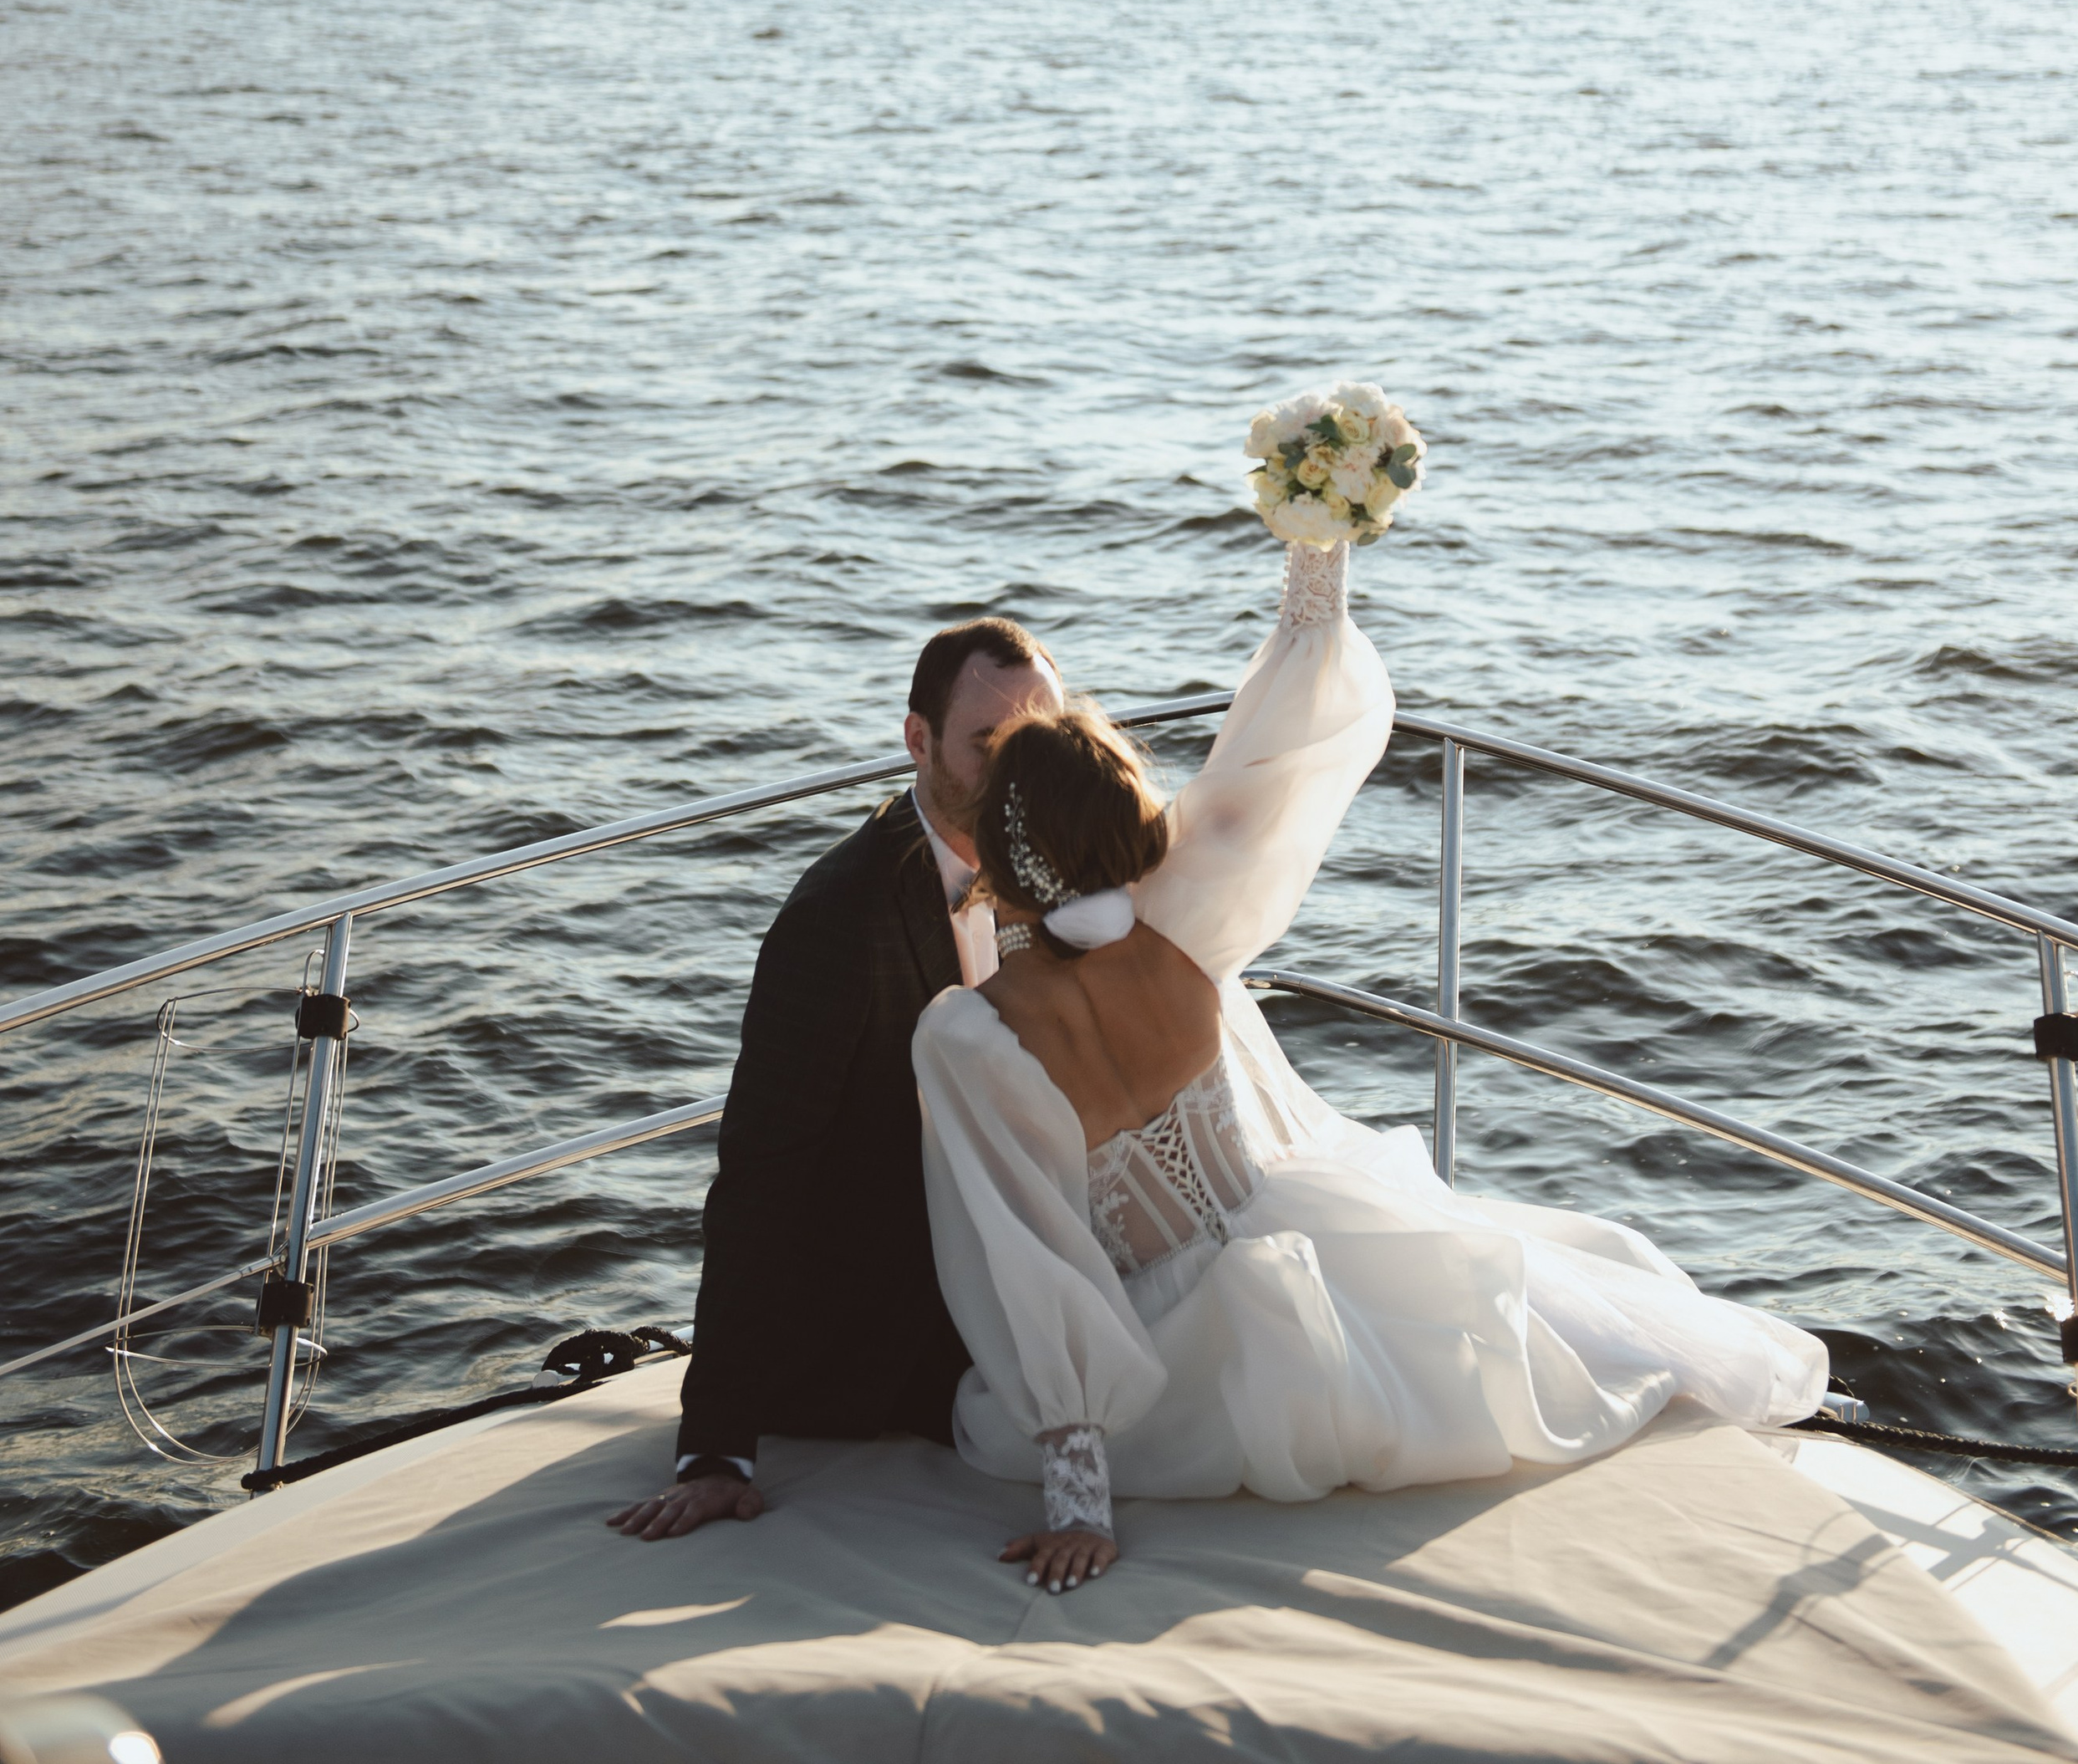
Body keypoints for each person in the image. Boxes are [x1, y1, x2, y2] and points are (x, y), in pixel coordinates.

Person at [913, 538, 1827, 1593]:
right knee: (1528, 1311)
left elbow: (1035, 1262)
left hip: (1178, 1354)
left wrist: (1081, 1504)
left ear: (1000, 843)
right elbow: (1267, 770)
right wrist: (1318, 560)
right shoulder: (1182, 929)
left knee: (999, 1424)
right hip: (1301, 1239)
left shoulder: (971, 1036)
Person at [609, 615, 1063, 1542]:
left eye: (1039, 741)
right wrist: (716, 1449)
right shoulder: (839, 919)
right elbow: (760, 1179)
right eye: (988, 744)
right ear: (918, 740)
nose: (1019, 772)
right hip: (889, 1336)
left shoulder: (1052, 863)